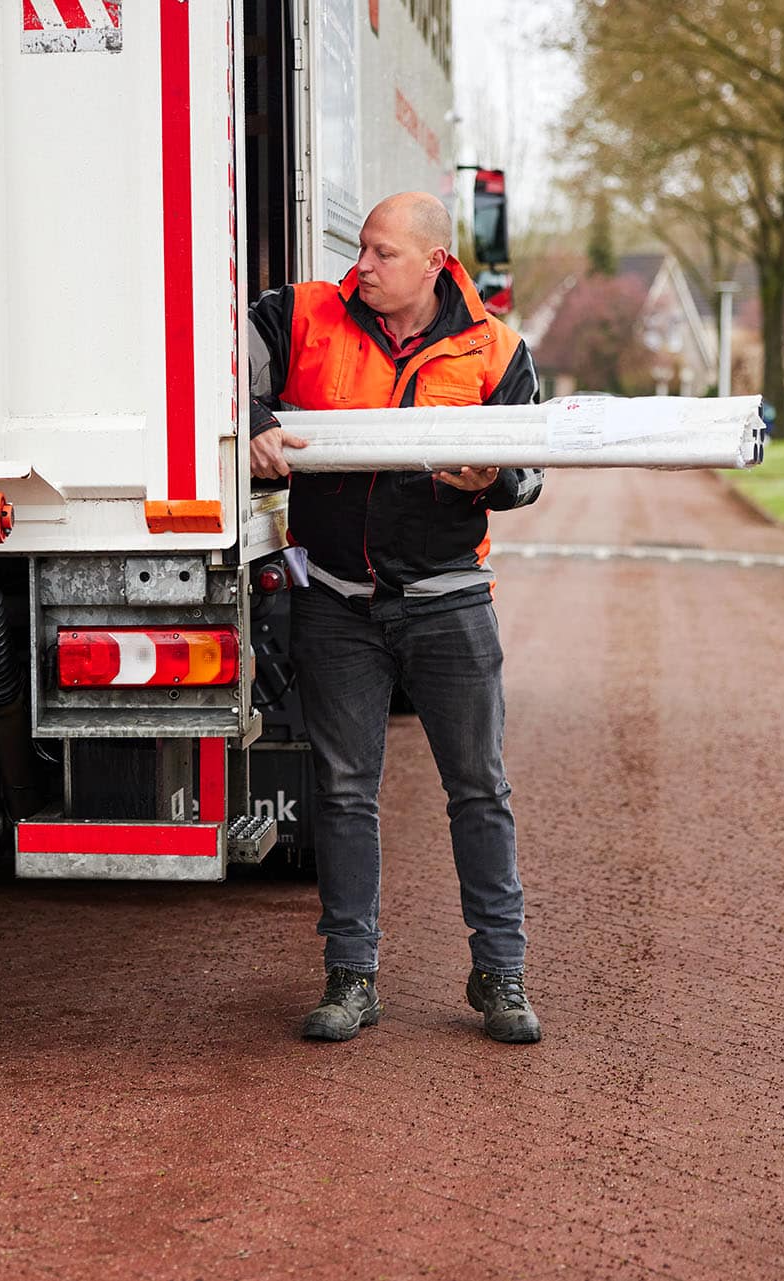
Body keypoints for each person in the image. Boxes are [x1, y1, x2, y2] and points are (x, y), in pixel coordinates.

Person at [247, 191, 544, 1045]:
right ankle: (351, 977)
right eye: (362, 252)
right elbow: (217, 356)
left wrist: (489, 479)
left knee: (479, 789)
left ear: (435, 263)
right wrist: (259, 420)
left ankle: (501, 975)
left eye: (381, 254)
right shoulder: (302, 314)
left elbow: (530, 472)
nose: (361, 267)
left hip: (448, 603)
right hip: (335, 601)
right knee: (342, 793)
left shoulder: (494, 349)